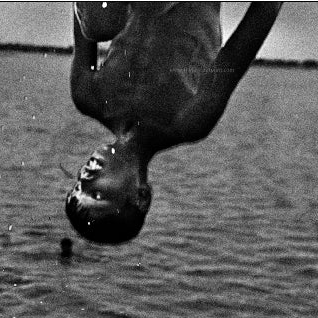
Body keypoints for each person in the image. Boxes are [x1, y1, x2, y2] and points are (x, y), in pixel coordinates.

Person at [65, 2, 282, 244]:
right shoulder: (187, 121)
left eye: (77, 186)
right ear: (141, 196)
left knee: (97, 25)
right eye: (96, 193)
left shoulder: (88, 96)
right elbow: (256, 24)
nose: (84, 177)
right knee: (101, 23)